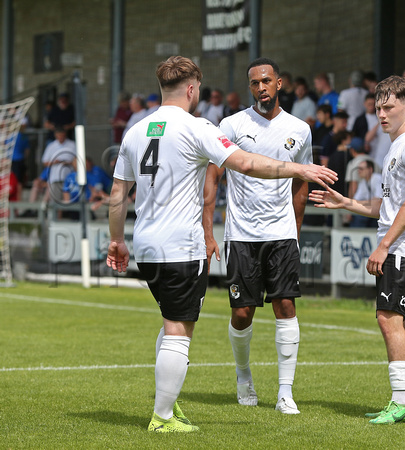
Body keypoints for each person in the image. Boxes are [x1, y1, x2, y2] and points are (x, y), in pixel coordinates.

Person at [106, 55, 337, 434]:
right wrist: (299, 168)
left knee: (170, 322)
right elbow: (244, 163)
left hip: (146, 245)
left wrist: (117, 239)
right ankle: (162, 417)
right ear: (193, 89)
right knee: (179, 331)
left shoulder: (135, 130)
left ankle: (170, 404)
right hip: (181, 246)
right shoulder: (199, 128)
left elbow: (117, 193)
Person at [309, 75, 405, 425]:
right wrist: (345, 201)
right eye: (378, 107)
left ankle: (399, 403)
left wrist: (383, 245)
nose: (382, 114)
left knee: (388, 318)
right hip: (403, 246)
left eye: (389, 107)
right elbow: (388, 205)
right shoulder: (394, 147)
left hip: (404, 248)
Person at [203, 57, 317, 416]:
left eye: (266, 81)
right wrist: (208, 228)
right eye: (254, 83)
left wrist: (295, 230)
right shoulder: (232, 124)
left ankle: (286, 392)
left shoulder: (300, 129)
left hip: (281, 234)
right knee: (242, 313)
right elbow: (213, 176)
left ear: (279, 83)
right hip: (241, 234)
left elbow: (302, 180)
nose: (261, 88)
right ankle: (243, 375)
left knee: (286, 306)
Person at [32, 128, 76, 204]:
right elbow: (45, 162)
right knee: (55, 201)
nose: (60, 137)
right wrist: (55, 162)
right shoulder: (51, 146)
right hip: (55, 178)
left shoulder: (72, 145)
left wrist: (68, 163)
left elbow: (77, 160)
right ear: (55, 135)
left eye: (62, 135)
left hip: (69, 177)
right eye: (59, 135)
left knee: (67, 201)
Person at [349, 158, 382, 228]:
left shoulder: (377, 179)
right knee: (354, 215)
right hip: (372, 210)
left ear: (370, 169)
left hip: (381, 211)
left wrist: (359, 204)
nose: (358, 171)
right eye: (358, 169)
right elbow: (356, 199)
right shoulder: (363, 182)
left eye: (361, 169)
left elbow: (377, 200)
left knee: (360, 217)